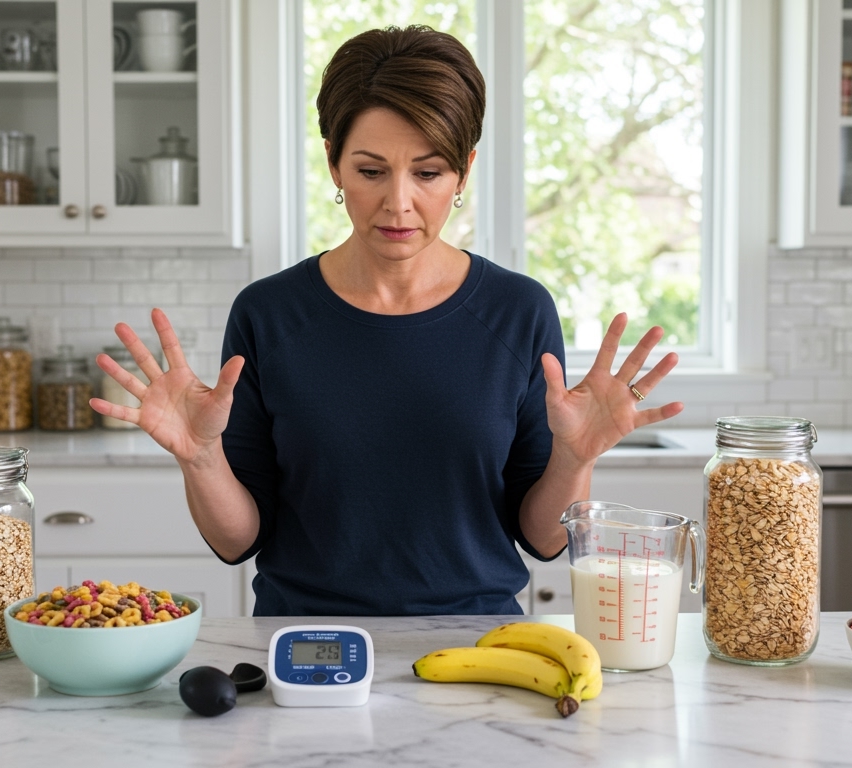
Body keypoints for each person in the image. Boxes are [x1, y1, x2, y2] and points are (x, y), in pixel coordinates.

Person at [90, 26, 683, 616]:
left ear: (464, 172)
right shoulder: (269, 313)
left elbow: (544, 538)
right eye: (372, 171)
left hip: (480, 645)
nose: (399, 202)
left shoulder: (518, 311)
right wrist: (201, 458)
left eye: (427, 173)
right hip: (306, 641)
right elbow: (236, 540)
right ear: (334, 165)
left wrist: (575, 460)